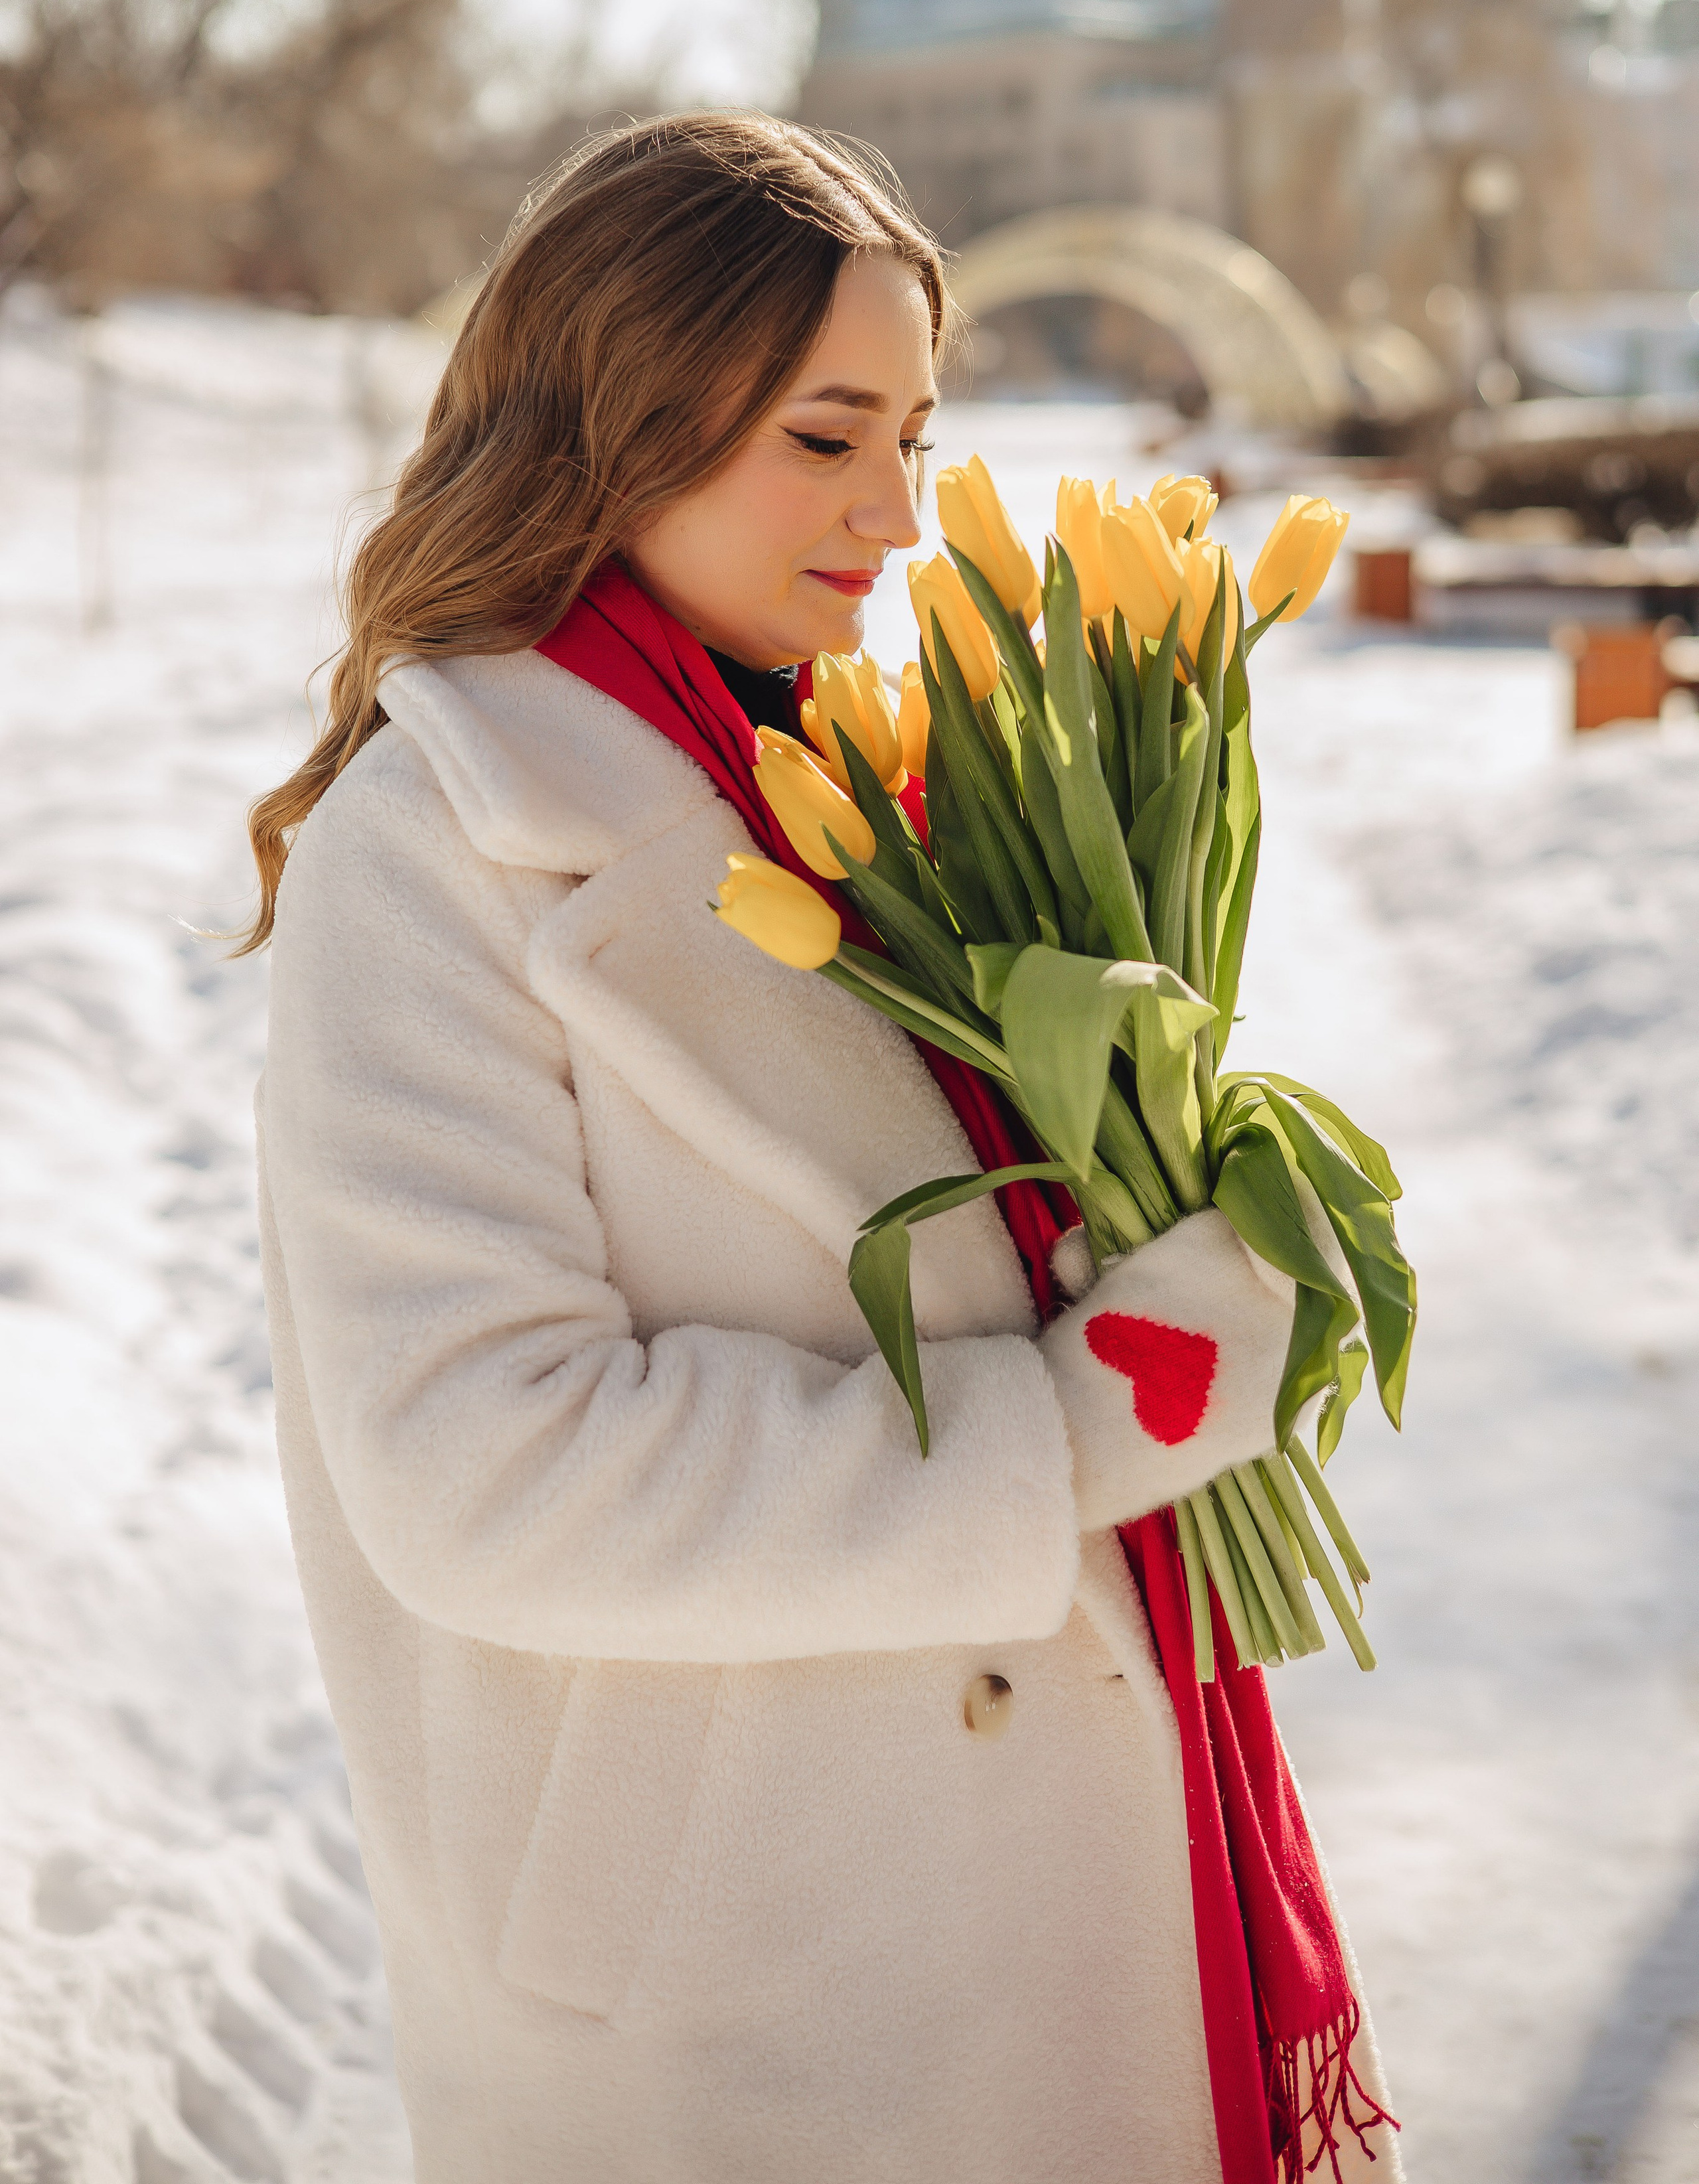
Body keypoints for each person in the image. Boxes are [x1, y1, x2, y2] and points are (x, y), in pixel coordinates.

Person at [247, 112, 1398, 2183]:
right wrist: (1069, 1429)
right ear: (622, 418)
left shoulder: (848, 775)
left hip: (1047, 1902)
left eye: (919, 441)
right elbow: (482, 1473)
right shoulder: (429, 857)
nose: (893, 514)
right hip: (746, 1985)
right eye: (823, 438)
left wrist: (1182, 1235)